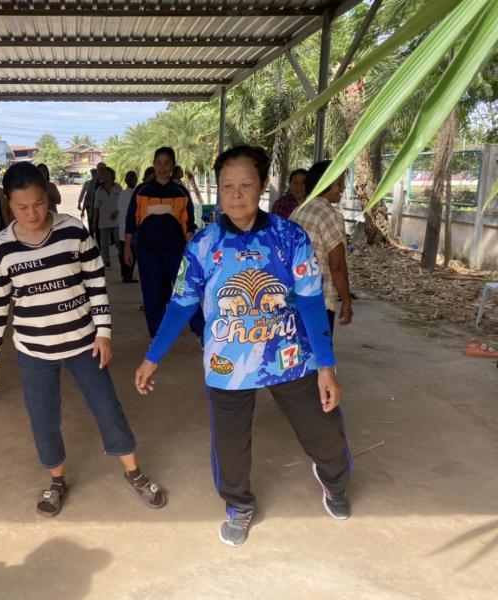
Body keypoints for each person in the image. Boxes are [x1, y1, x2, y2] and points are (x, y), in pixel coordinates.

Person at [134, 145, 352, 548]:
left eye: (246, 185)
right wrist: (153, 357)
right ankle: (238, 504)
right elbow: (181, 303)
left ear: (263, 185)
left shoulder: (290, 236)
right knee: (230, 444)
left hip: (290, 356)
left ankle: (334, 482)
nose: (236, 195)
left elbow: (309, 301)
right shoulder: (204, 244)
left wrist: (326, 365)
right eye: (227, 186)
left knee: (323, 429)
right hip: (227, 362)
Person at [0, 161, 166, 517]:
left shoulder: (73, 231)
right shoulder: (2, 248)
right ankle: (57, 481)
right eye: (22, 207)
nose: (32, 213)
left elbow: (96, 283)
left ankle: (134, 472)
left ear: (47, 195)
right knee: (43, 418)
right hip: (33, 351)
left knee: (107, 407)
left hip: (84, 343)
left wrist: (104, 333)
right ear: (9, 204)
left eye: (38, 203)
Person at [124, 147, 202, 339]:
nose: (162, 167)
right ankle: (157, 334)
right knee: (152, 293)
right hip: (147, 251)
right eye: (158, 163)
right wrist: (127, 247)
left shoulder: (181, 192)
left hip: (175, 251)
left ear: (173, 166)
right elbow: (131, 222)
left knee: (186, 289)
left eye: (167, 163)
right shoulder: (142, 191)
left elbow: (188, 224)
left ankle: (200, 330)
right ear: (153, 165)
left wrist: (193, 253)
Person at [290, 161, 353, 335]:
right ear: (326, 183)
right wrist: (347, 301)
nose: (342, 188)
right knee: (319, 349)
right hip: (320, 300)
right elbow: (337, 266)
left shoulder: (298, 211)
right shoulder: (331, 216)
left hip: (294, 296)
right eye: (339, 182)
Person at [93, 166, 122, 269]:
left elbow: (122, 202)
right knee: (104, 243)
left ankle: (122, 257)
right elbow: (96, 207)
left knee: (118, 240)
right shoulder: (99, 190)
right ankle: (106, 261)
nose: (104, 176)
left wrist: (117, 212)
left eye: (106, 174)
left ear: (112, 175)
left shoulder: (118, 187)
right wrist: (94, 223)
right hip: (103, 220)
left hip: (117, 220)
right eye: (102, 174)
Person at [117, 170, 139, 283]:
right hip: (131, 227)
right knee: (131, 253)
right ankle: (128, 276)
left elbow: (119, 209)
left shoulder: (122, 193)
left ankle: (125, 274)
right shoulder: (136, 193)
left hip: (122, 227)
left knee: (124, 251)